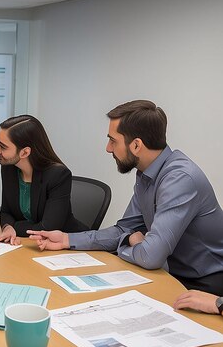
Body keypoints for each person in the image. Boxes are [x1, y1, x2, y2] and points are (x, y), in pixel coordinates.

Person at [29, 100, 223, 296]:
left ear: (136, 145)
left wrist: (131, 241)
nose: (108, 148)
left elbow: (150, 256)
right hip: (167, 274)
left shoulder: (179, 179)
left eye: (113, 140)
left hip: (205, 285)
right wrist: (66, 239)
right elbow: (126, 228)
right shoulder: (146, 174)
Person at [0, 115, 88, 245]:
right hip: (31, 244)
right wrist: (8, 228)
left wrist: (15, 227)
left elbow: (47, 227)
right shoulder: (9, 168)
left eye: (3, 147)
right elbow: (5, 212)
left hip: (66, 247)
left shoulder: (58, 175)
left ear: (25, 152)